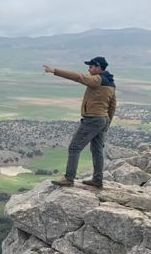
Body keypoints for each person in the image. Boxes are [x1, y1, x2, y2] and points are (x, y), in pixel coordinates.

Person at [42, 56, 116, 188]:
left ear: (98, 68)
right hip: (103, 119)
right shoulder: (110, 83)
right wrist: (107, 123)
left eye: (91, 67)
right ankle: (97, 180)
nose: (89, 69)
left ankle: (69, 178)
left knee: (74, 147)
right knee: (97, 150)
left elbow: (78, 77)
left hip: (93, 119)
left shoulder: (97, 79)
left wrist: (54, 70)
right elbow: (112, 105)